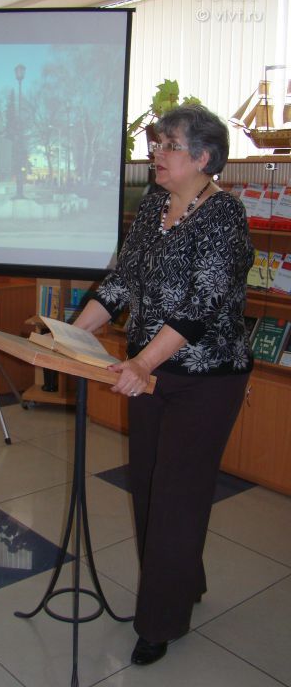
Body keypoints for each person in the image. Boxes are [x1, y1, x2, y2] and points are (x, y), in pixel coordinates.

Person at [74, 104, 254, 666]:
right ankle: (184, 581)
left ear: (203, 158)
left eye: (169, 145)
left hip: (207, 379)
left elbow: (202, 305)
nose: (156, 153)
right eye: (157, 143)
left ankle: (160, 622)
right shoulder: (155, 204)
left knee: (178, 495)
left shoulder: (225, 216)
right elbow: (123, 279)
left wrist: (143, 363)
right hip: (150, 374)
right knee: (151, 486)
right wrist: (71, 334)